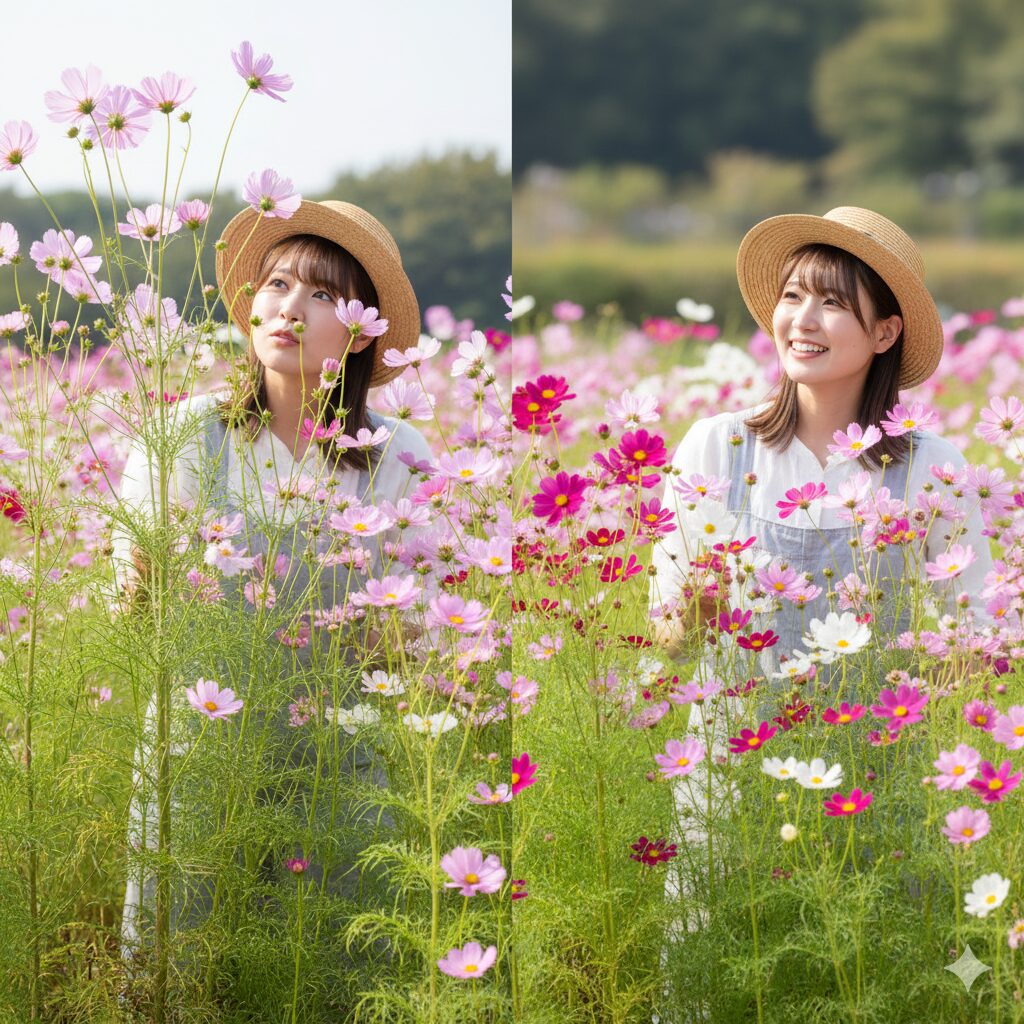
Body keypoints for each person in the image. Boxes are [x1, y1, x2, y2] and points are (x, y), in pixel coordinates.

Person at [115, 200, 434, 966]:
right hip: (199, 752)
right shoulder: (191, 434)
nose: (289, 308)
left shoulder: (398, 452)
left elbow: (417, 637)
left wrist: (393, 638)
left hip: (339, 761)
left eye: (323, 295)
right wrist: (147, 573)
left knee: (336, 971)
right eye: (278, 283)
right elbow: (132, 613)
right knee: (181, 968)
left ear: (361, 331)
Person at [650, 206, 996, 676]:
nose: (803, 321)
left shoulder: (929, 467)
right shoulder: (717, 446)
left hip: (877, 743)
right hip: (735, 741)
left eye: (832, 303)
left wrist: (902, 684)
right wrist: (698, 607)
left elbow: (981, 636)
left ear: (884, 332)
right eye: (792, 296)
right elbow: (672, 643)